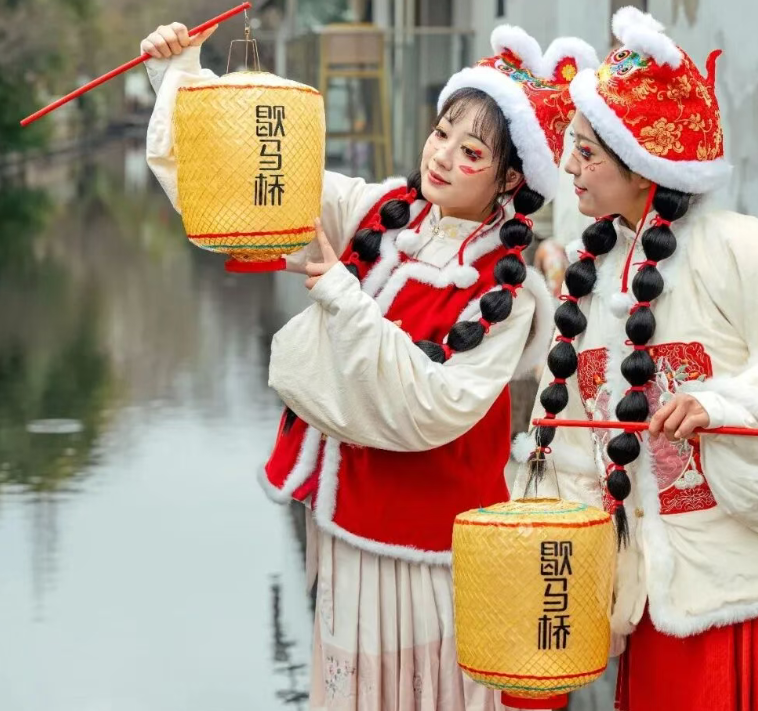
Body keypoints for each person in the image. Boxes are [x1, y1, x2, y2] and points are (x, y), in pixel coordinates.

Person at [140, 21, 599, 710]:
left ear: (509, 178)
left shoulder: (506, 292)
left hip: (433, 544)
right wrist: (182, 76)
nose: (442, 156)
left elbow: (435, 406)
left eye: (470, 151)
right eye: (442, 133)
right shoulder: (380, 212)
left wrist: (341, 295)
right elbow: (255, 183)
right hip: (348, 521)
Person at [514, 7, 758, 710]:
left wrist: (719, 406)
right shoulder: (589, 272)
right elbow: (568, 446)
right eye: (573, 146)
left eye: (587, 151)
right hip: (643, 601)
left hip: (734, 600)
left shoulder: (734, 247)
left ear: (644, 161)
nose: (569, 165)